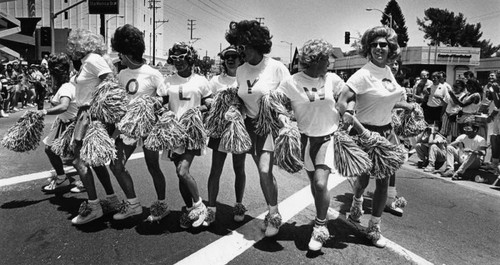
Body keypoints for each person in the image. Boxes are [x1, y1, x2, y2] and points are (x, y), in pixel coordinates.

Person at [336, 25, 414, 248]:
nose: (380, 48)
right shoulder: (362, 75)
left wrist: (406, 105)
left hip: (387, 133)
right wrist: (351, 116)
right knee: (363, 179)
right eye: (375, 44)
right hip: (365, 133)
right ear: (368, 49)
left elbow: (384, 99)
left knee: (384, 181)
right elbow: (343, 101)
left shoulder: (388, 72)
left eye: (384, 45)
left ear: (391, 49)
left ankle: (374, 226)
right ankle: (357, 201)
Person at [277, 39, 344, 251]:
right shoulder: (292, 82)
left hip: (328, 137)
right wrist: (283, 118)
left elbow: (348, 97)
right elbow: (277, 104)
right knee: (315, 185)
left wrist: (348, 111)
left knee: (321, 183)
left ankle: (320, 228)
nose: (329, 64)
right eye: (326, 59)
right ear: (316, 60)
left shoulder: (333, 79)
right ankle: (320, 215)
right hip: (305, 139)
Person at [225, 20, 291, 237]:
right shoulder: (241, 70)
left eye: (244, 45)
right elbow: (242, 97)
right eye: (238, 45)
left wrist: (280, 112)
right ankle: (272, 210)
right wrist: (234, 108)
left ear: (256, 44)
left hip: (268, 126)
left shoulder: (276, 67)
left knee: (264, 171)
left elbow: (290, 96)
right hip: (249, 126)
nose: (240, 50)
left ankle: (274, 215)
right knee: (263, 173)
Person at [107, 24, 171, 222]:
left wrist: (149, 104)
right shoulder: (122, 74)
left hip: (148, 127)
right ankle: (133, 204)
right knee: (116, 165)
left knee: (153, 167)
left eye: (120, 53)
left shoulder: (153, 73)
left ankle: (161, 204)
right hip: (127, 127)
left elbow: (164, 98)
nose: (119, 57)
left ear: (127, 53)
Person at [66, 28, 120, 225]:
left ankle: (94, 206)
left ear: (80, 44)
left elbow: (109, 83)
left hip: (89, 114)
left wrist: (97, 111)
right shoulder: (89, 61)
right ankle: (111, 200)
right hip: (85, 114)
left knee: (79, 161)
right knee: (94, 161)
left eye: (72, 45)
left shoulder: (91, 60)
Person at [160, 42, 212, 228]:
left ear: (190, 59)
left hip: (192, 131)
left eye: (182, 58)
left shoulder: (200, 81)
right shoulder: (167, 81)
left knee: (182, 170)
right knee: (180, 174)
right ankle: (190, 210)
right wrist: (154, 105)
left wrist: (198, 110)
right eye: (174, 59)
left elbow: (209, 103)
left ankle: (200, 207)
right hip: (174, 131)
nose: (178, 63)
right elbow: (162, 101)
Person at [204, 45, 247, 226]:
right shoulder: (216, 80)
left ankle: (238, 204)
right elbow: (206, 99)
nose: (230, 59)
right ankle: (211, 208)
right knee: (216, 169)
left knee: (239, 168)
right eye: (227, 56)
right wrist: (214, 103)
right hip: (220, 129)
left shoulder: (245, 78)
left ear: (240, 58)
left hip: (238, 128)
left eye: (234, 56)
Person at [40, 53, 85, 193]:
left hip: (72, 126)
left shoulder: (65, 87)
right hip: (64, 123)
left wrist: (45, 112)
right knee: (53, 150)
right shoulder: (69, 84)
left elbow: (64, 106)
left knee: (77, 158)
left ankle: (85, 185)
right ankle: (62, 176)